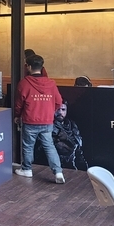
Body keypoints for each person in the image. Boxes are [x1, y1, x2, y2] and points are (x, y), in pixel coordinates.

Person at [14, 54, 65, 184]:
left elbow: (19, 104)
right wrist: (50, 111)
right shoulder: (51, 83)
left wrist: (17, 116)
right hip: (47, 121)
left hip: (30, 121)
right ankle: (58, 172)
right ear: (42, 67)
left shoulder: (24, 83)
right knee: (49, 146)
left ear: (29, 67)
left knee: (28, 146)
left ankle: (27, 169)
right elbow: (59, 101)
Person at [52, 101, 88, 171]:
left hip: (76, 158)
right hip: (58, 162)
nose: (60, 112)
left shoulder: (71, 124)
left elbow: (78, 142)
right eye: (57, 109)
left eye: (63, 109)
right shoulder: (49, 126)